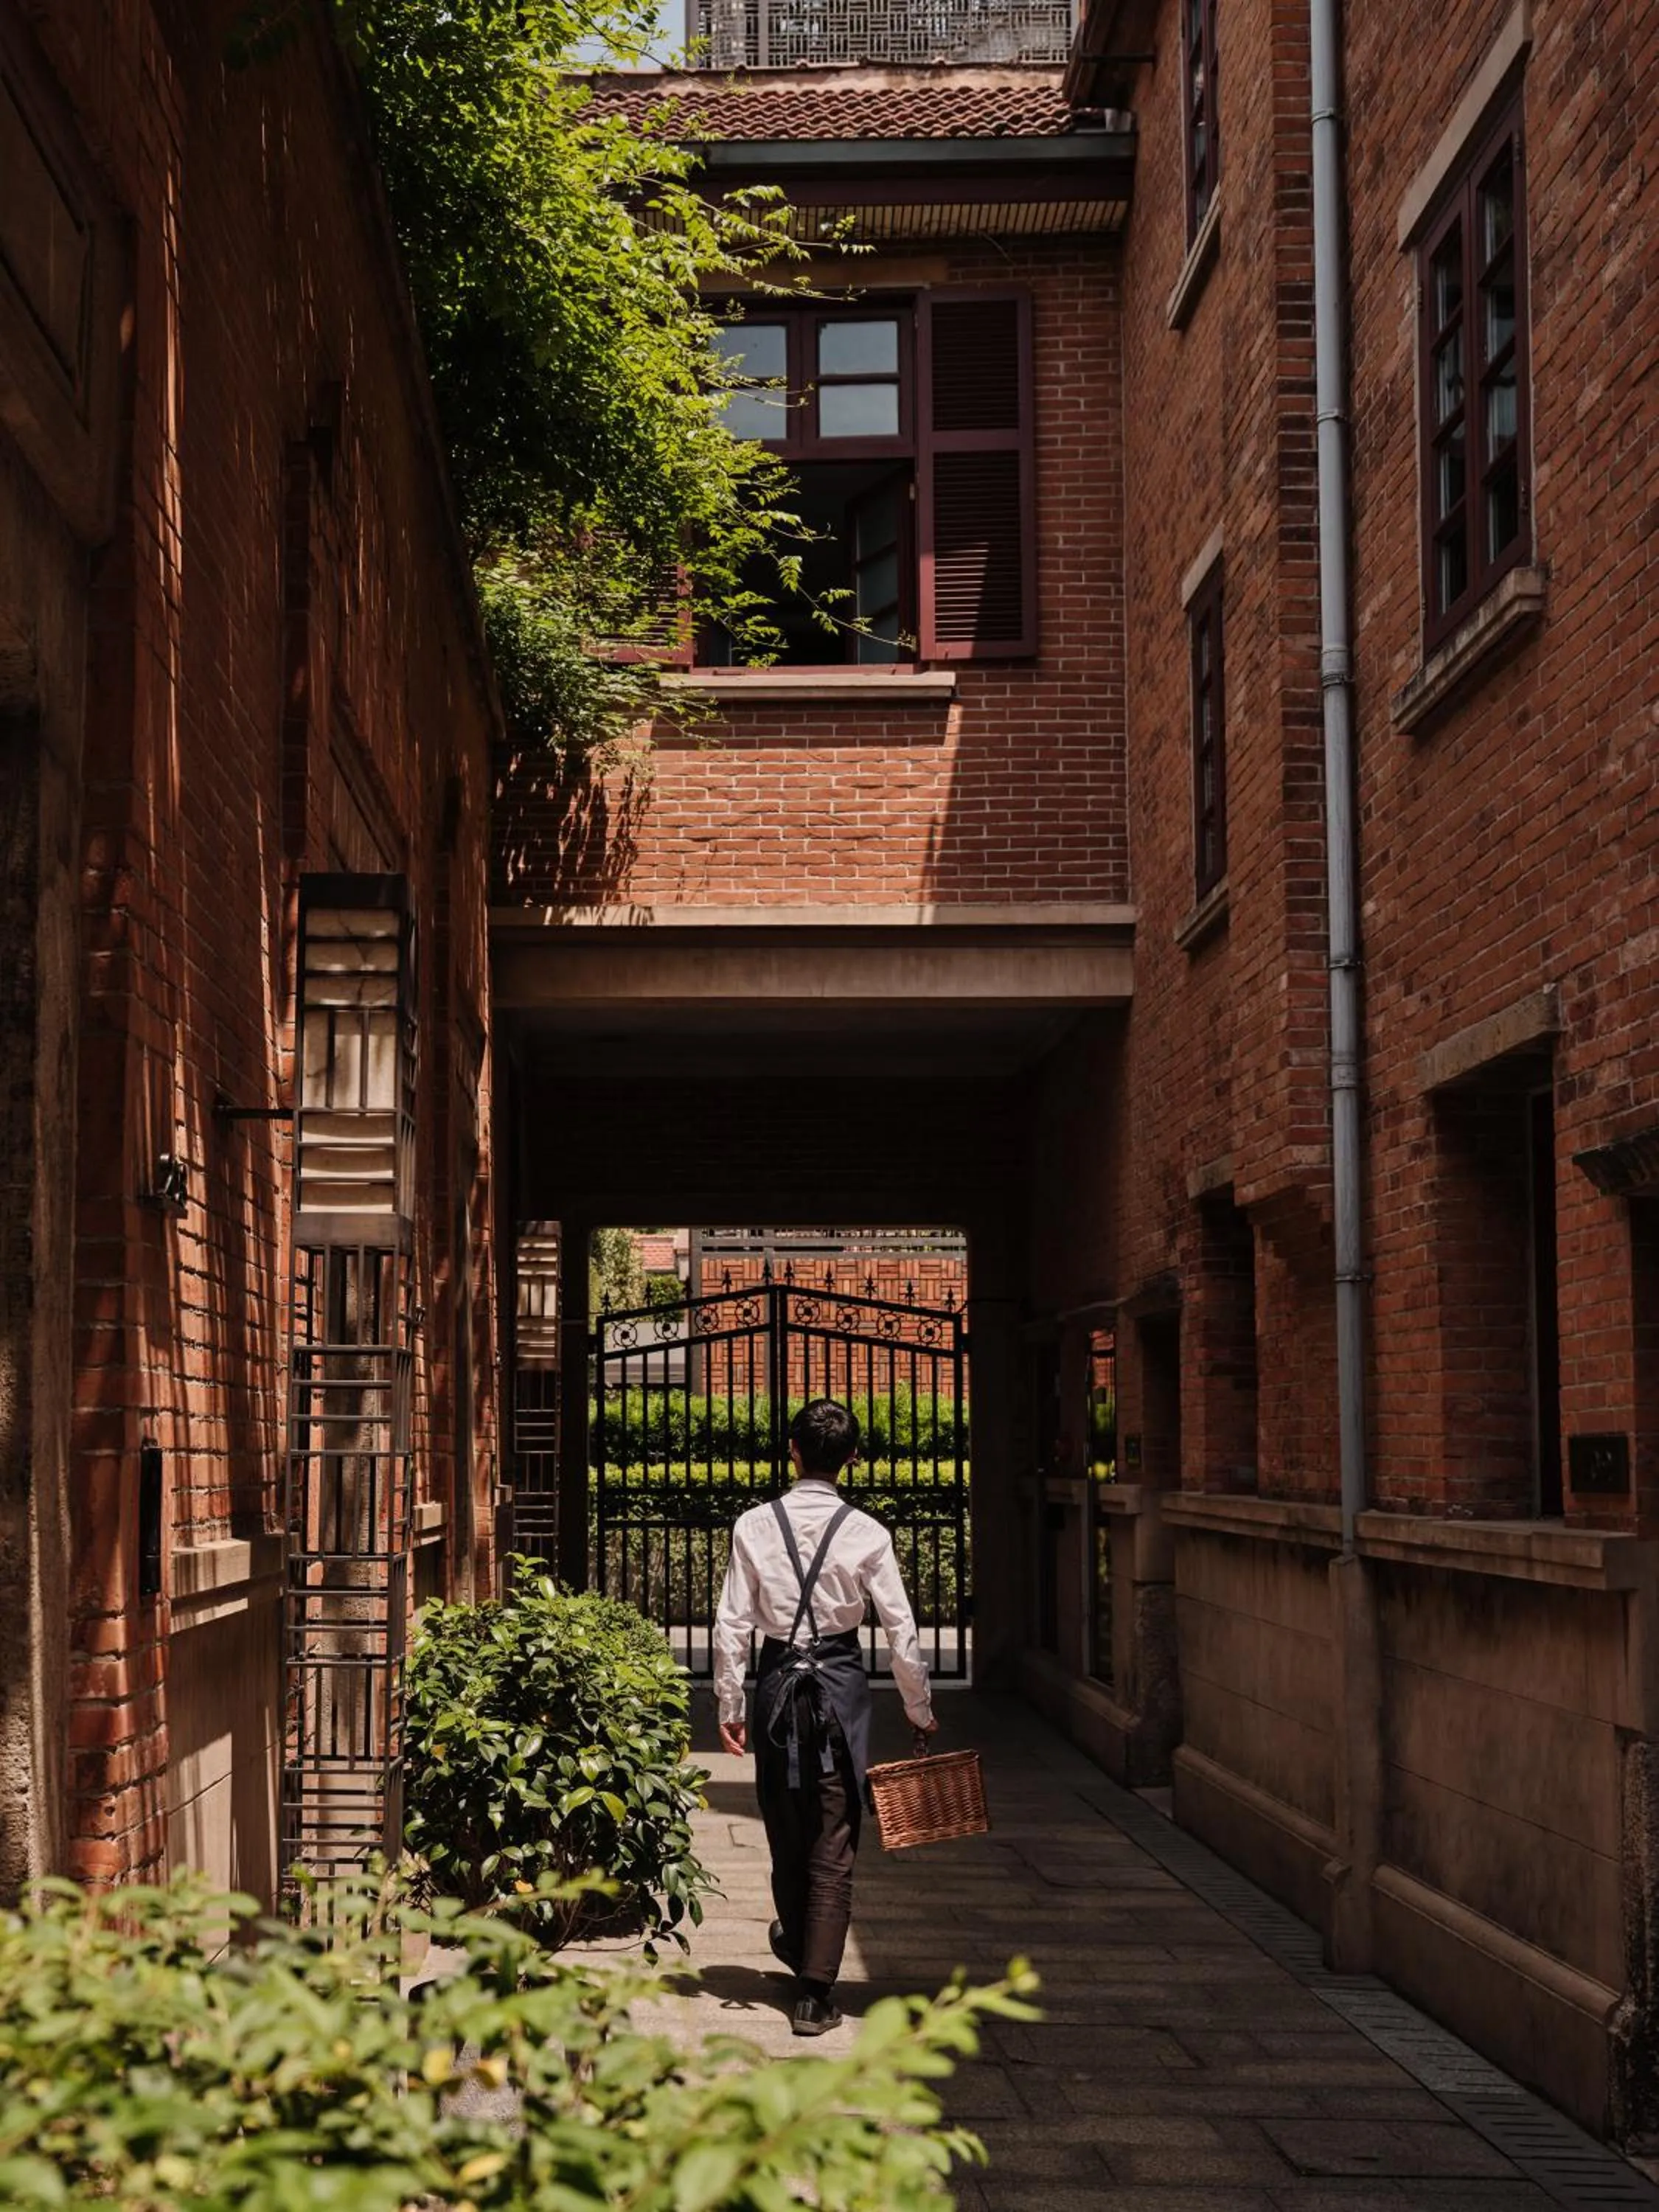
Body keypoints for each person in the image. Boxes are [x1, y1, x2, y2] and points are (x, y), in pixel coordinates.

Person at [714, 1397, 937, 2036]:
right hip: (840, 1688)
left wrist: (730, 1704)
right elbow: (901, 1629)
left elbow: (731, 1623)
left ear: (792, 1450)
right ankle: (815, 1989)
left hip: (777, 1686)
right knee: (834, 1837)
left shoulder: (753, 1525)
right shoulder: (868, 1533)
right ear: (853, 1458)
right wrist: (919, 1708)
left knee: (786, 1828)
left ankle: (803, 1954)